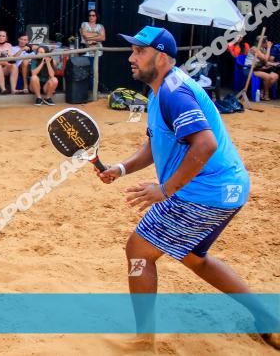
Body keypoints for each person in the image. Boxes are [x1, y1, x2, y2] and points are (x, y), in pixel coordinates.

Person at [99, 26, 278, 351]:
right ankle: (268, 319)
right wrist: (122, 168)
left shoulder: (173, 92)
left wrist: (165, 190)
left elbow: (205, 144)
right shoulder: (160, 91)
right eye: (133, 50)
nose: (131, 57)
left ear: (162, 57)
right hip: (228, 189)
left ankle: (143, 342)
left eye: (140, 51)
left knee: (138, 250)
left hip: (205, 191)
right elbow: (156, 144)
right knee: (196, 259)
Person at [250, 36, 278, 101]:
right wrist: (269, 48)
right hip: (251, 69)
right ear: (262, 43)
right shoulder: (254, 49)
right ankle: (266, 95)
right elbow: (265, 59)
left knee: (275, 76)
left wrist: (274, 64)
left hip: (260, 69)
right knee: (268, 76)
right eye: (266, 43)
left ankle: (262, 91)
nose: (267, 44)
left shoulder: (263, 49)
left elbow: (266, 61)